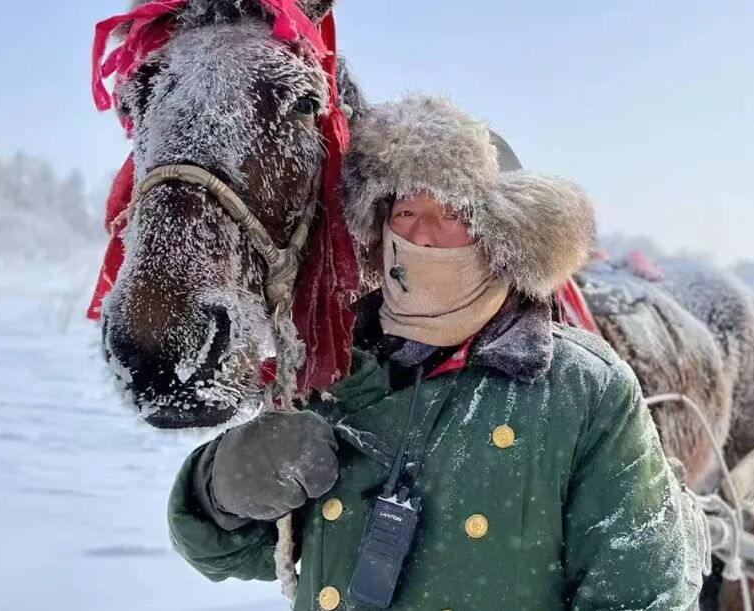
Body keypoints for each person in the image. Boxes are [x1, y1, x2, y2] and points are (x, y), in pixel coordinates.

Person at [167, 95, 707, 610]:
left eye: (453, 213)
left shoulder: (582, 390)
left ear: (502, 234)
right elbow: (248, 553)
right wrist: (219, 489)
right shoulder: (333, 371)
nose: (423, 236)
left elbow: (640, 594)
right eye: (406, 210)